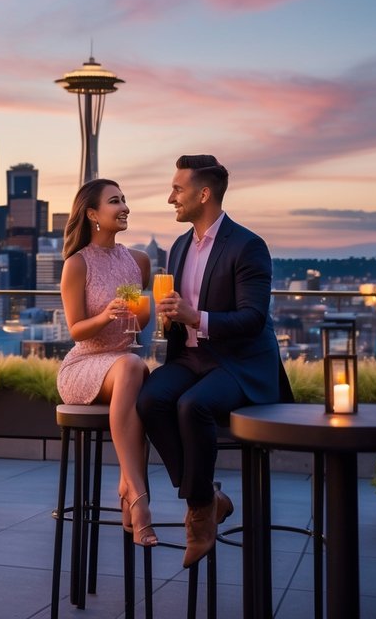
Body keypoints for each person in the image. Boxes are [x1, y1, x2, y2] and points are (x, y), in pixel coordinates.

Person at [137, 155, 282, 567]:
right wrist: (172, 317)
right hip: (191, 356)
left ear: (204, 194)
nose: (170, 198)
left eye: (177, 189)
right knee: (149, 400)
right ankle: (207, 497)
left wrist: (194, 316)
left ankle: (199, 516)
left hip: (239, 363)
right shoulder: (181, 245)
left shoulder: (248, 246)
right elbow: (180, 313)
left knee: (193, 406)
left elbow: (253, 320)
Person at [57, 178, 158, 547]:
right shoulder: (77, 264)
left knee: (136, 368)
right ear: (93, 214)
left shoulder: (137, 262)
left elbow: (133, 326)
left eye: (125, 199)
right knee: (134, 368)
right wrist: (105, 316)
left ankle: (127, 489)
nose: (125, 206)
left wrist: (147, 311)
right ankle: (139, 497)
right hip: (85, 365)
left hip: (122, 362)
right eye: (115, 201)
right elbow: (77, 330)